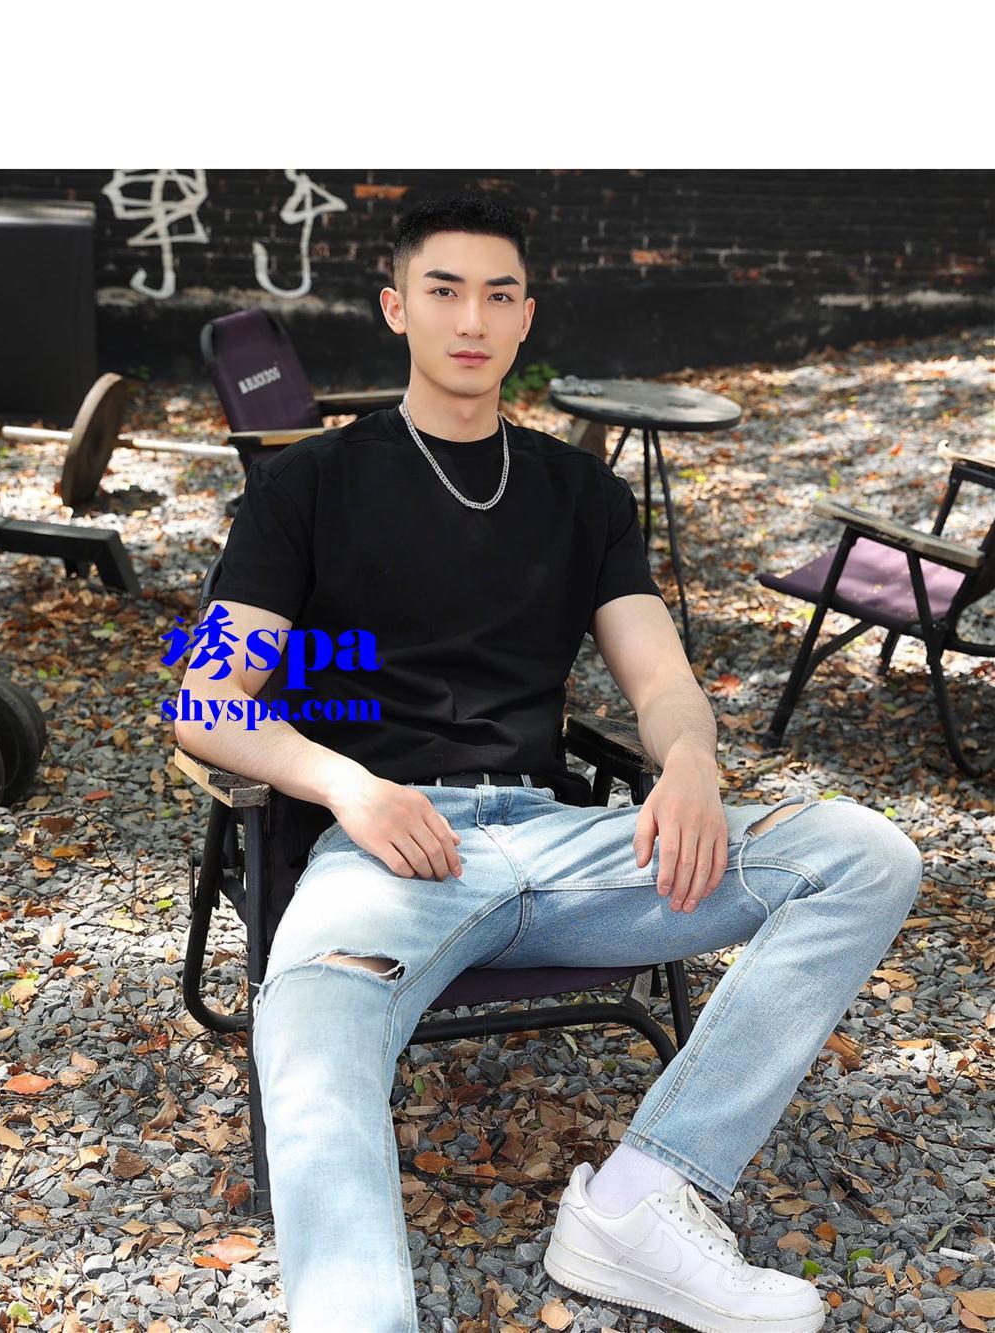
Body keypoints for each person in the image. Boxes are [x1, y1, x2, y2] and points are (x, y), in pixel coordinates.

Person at [173, 193, 923, 1333]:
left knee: (863, 853)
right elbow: (205, 703)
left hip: (564, 846)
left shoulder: (582, 496)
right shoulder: (306, 486)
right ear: (395, 308)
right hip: (388, 850)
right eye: (443, 291)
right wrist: (347, 785)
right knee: (312, 1032)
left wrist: (690, 762)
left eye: (499, 295)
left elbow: (661, 683)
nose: (472, 319)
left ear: (528, 316)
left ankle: (643, 1198)